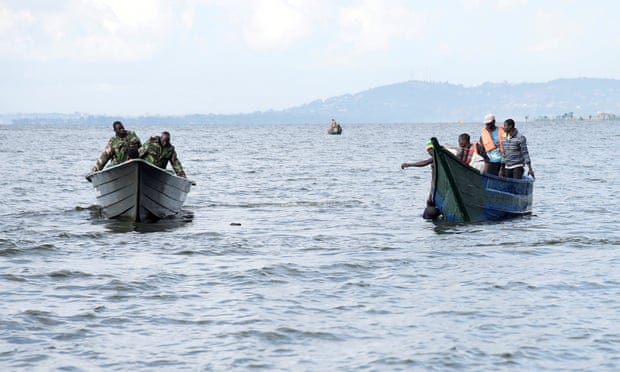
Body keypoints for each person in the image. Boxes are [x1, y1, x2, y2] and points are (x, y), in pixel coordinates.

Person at [401, 141, 440, 219]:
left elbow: (424, 163)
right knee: (429, 203)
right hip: (434, 185)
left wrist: (409, 164)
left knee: (430, 204)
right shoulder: (436, 158)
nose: (429, 152)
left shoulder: (438, 157)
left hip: (436, 186)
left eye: (430, 150)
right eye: (428, 151)